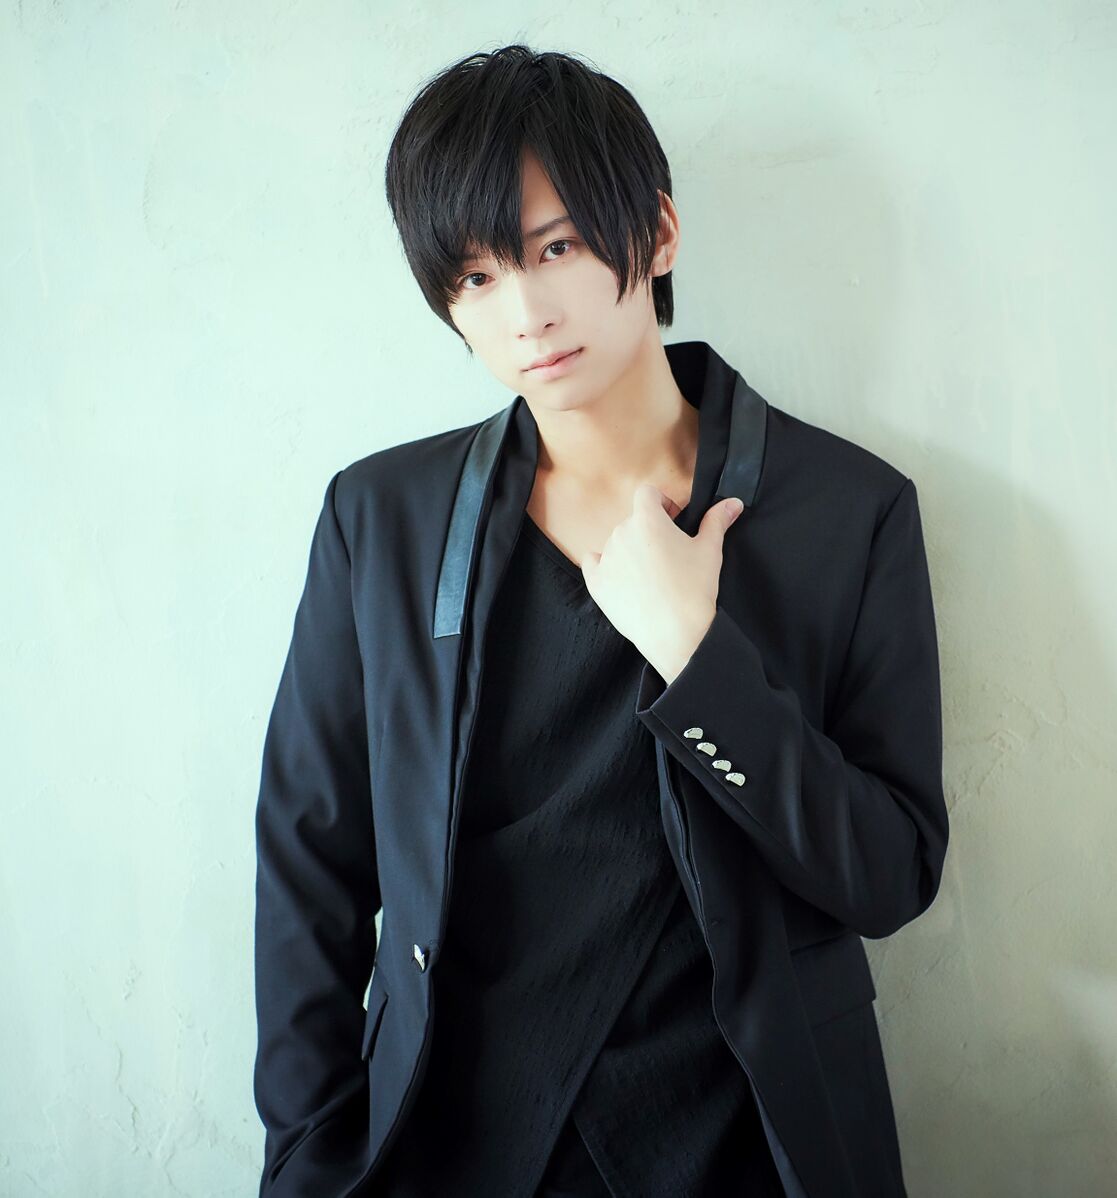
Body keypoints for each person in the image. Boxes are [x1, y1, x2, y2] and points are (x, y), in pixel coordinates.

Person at [253, 44, 948, 1198]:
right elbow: (307, 864)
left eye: (556, 248)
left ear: (657, 234)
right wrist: (306, 1154)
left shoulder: (846, 510)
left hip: (740, 1138)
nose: (524, 313)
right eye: (475, 277)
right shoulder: (381, 519)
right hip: (451, 1136)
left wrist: (699, 659)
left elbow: (887, 877)